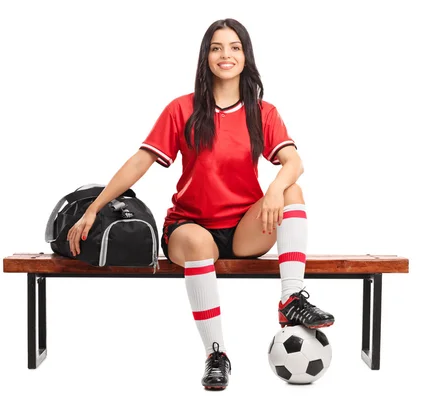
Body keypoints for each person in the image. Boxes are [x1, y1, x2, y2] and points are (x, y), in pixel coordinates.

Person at [66, 18, 334, 390]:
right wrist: (95, 207)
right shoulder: (182, 108)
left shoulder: (263, 112)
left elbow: (295, 163)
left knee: (292, 192)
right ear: (206, 57)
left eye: (235, 47)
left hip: (242, 231)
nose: (226, 54)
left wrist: (274, 189)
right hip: (189, 229)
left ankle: (290, 299)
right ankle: (216, 353)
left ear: (246, 56)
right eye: (217, 47)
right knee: (196, 244)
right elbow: (141, 161)